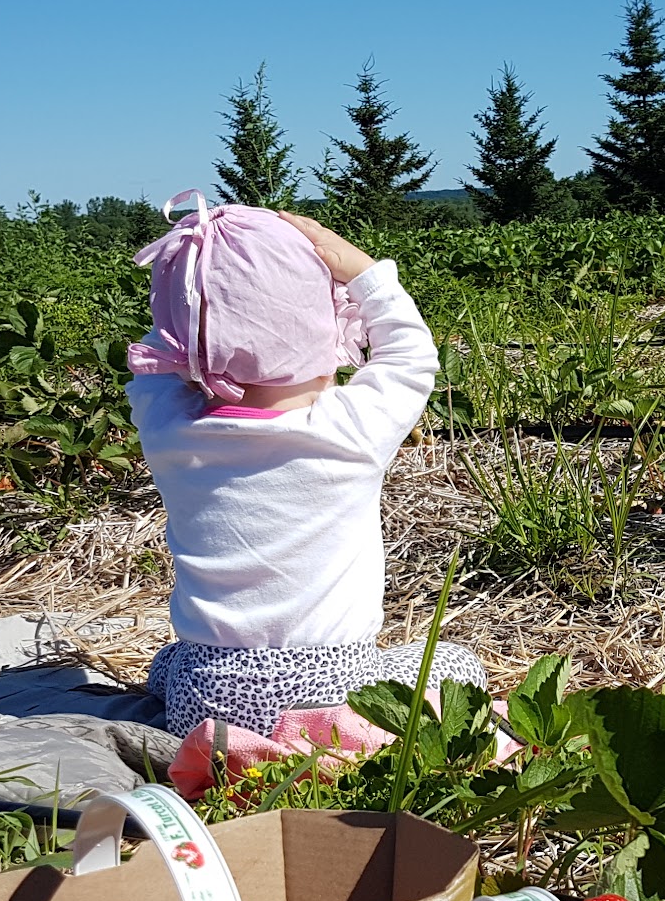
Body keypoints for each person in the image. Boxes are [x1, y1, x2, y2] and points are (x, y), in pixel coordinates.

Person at [127, 191, 485, 740]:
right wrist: (367, 274)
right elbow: (412, 355)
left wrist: (190, 285)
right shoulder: (349, 430)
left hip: (204, 699)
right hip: (334, 691)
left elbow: (154, 362)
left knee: (168, 662)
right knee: (458, 665)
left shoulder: (169, 430)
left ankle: (220, 729)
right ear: (325, 331)